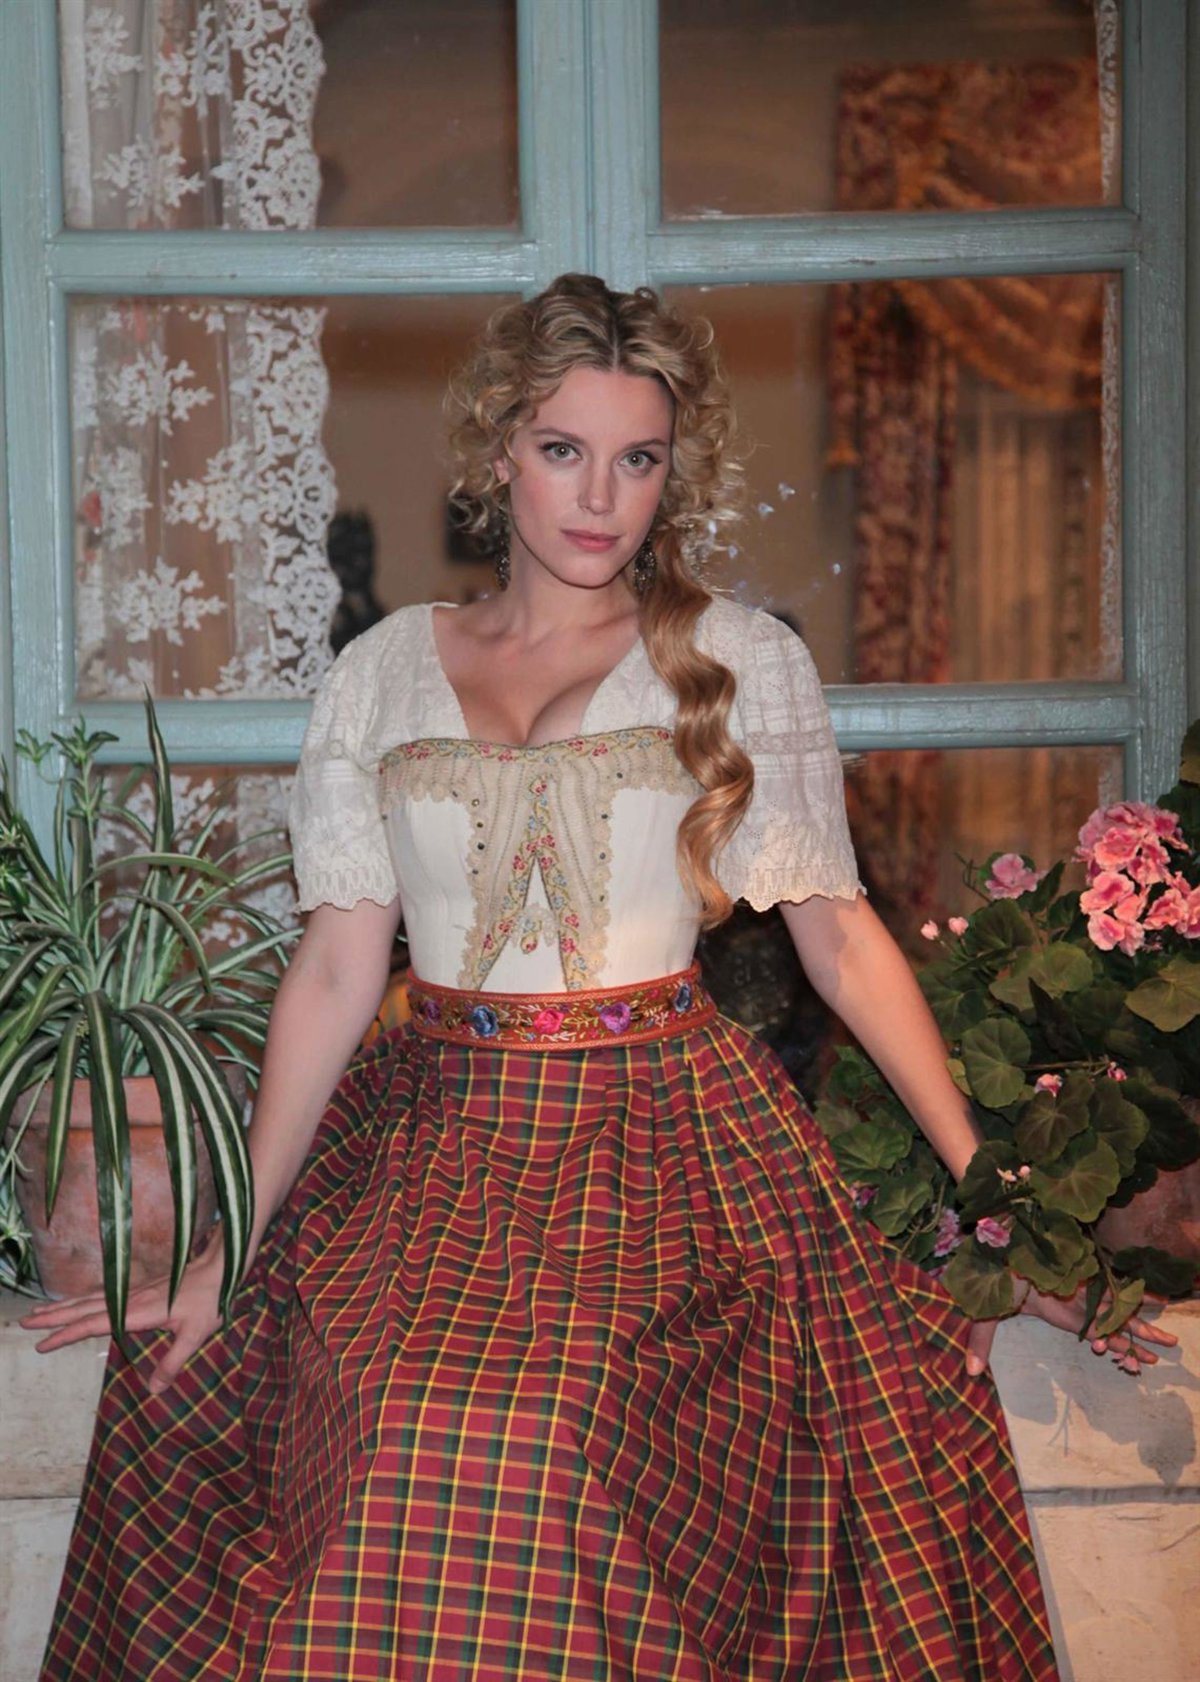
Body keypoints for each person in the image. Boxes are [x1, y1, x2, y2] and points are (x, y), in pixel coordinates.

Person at [23, 273, 1174, 1682]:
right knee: (339, 1413)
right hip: (427, 1148)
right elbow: (333, 972)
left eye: (638, 458)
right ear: (498, 447)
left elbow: (840, 937)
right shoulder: (381, 673)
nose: (600, 497)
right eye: (564, 449)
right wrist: (230, 1243)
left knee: (551, 1429)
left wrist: (999, 1202)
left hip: (664, 1149)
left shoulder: (738, 659)